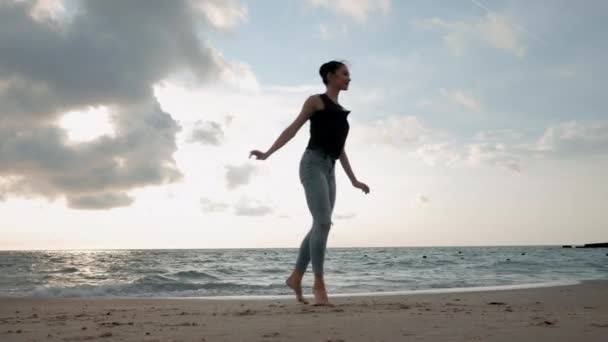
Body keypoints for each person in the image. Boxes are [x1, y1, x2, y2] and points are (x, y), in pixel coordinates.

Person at [249, 60, 370, 306]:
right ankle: (319, 285)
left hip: (330, 169)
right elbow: (292, 129)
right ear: (330, 75)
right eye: (345, 74)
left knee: (319, 224)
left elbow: (340, 150)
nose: (349, 78)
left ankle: (295, 277)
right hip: (312, 164)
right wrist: (268, 153)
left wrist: (354, 180)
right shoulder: (316, 101)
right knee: (324, 222)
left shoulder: (340, 111)